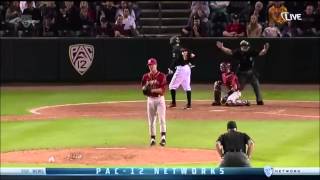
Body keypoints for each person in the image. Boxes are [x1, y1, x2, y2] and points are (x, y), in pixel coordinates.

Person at [216, 40, 269, 105]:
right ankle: (228, 98)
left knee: (256, 85)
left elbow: (261, 53)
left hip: (251, 73)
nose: (244, 47)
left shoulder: (252, 52)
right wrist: (222, 47)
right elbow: (229, 51)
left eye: (245, 46)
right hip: (241, 73)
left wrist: (265, 49)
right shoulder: (238, 52)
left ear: (248, 46)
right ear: (241, 46)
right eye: (243, 46)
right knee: (238, 88)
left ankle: (259, 100)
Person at [141, 58, 167, 147]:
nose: (151, 67)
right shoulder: (145, 77)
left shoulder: (162, 76)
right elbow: (143, 89)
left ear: (156, 65)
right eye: (149, 65)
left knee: (162, 119)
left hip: (160, 100)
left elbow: (162, 90)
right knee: (151, 121)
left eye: (152, 65)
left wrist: (151, 90)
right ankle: (152, 139)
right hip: (150, 100)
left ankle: (163, 138)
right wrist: (145, 90)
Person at [167, 36, 196, 109]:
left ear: (172, 42)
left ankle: (173, 103)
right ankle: (189, 104)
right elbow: (193, 55)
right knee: (187, 87)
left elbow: (175, 59)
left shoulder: (175, 49)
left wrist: (171, 68)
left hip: (181, 68)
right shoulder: (183, 48)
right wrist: (190, 62)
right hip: (187, 68)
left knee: (171, 86)